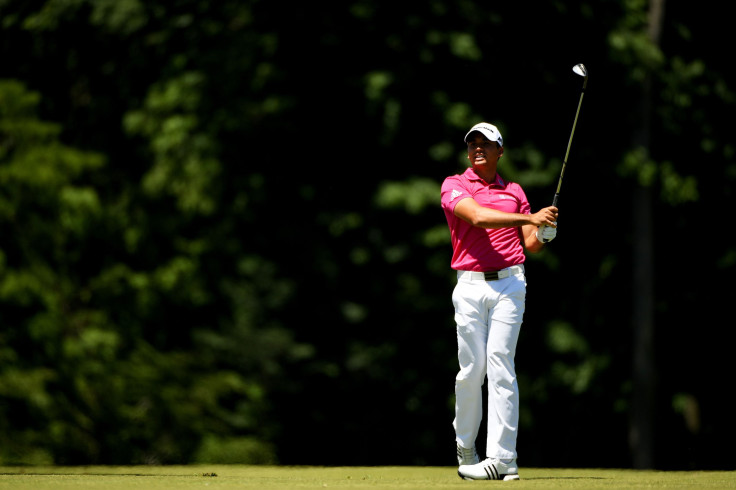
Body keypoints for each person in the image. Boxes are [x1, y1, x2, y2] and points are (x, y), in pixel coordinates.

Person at [440, 122, 558, 481]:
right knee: (471, 372)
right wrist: (530, 216)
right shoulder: (454, 185)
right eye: (472, 143)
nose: (477, 148)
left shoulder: (515, 191)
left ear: (499, 151)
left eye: (485, 143)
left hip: (510, 284)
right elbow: (476, 217)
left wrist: (545, 231)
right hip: (470, 286)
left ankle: (503, 459)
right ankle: (466, 446)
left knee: (500, 364)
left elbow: (530, 244)